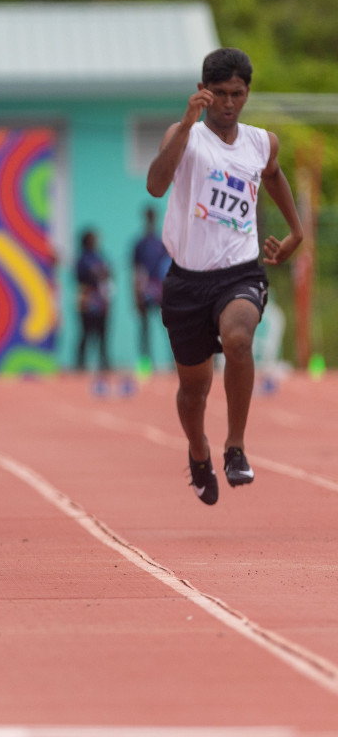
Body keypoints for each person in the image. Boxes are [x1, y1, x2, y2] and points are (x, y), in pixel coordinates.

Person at [146, 47, 302, 506]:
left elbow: (273, 174)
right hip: (187, 280)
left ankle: (236, 446)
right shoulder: (186, 135)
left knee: (238, 339)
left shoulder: (260, 142)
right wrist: (187, 123)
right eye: (219, 94)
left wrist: (295, 231)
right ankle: (199, 450)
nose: (229, 103)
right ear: (204, 92)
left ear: (247, 92)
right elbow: (156, 185)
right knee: (194, 391)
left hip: (239, 272)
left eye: (237, 93)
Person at [132, 206, 170, 370]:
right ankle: (146, 364)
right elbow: (136, 271)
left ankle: (173, 363)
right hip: (145, 290)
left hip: (160, 290)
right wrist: (136, 295)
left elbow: (168, 269)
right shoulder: (139, 244)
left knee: (168, 327)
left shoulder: (162, 243)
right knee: (145, 328)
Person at [75, 229, 113, 377]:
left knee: (103, 333)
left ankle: (104, 362)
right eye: (93, 239)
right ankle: (80, 364)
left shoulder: (100, 256)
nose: (96, 241)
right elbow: (80, 277)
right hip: (87, 299)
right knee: (85, 332)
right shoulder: (82, 259)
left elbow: (108, 273)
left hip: (101, 300)